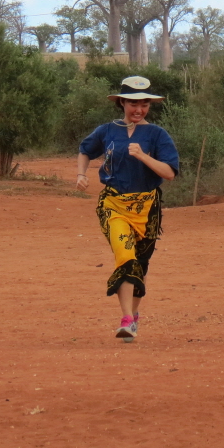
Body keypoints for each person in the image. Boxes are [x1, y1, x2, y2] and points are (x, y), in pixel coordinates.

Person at [77, 76, 179, 342]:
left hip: (147, 208)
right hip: (113, 204)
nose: (139, 109)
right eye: (133, 103)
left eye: (144, 104)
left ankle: (133, 318)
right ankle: (125, 318)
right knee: (126, 256)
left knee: (140, 264)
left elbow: (169, 173)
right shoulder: (107, 131)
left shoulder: (157, 135)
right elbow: (85, 150)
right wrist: (81, 174)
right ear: (121, 102)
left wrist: (143, 156)